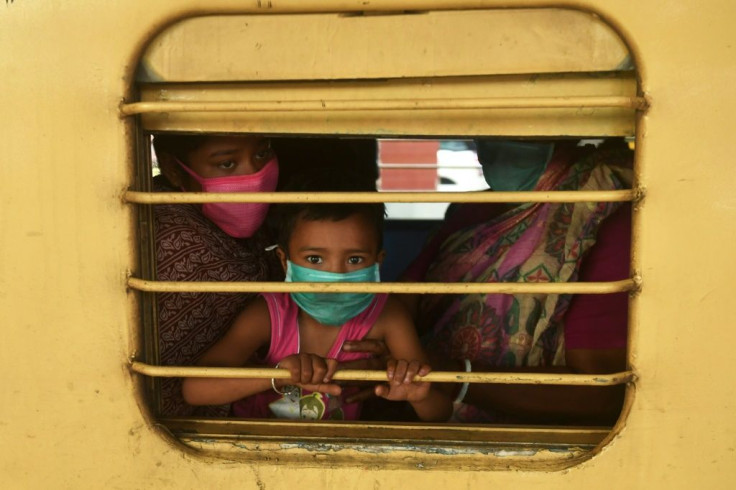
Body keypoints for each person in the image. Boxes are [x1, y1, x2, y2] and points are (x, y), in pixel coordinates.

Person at [395, 138, 632, 425]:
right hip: (425, 409)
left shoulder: (602, 212)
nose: (499, 138)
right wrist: (390, 349)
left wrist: (454, 378)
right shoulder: (470, 210)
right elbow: (402, 301)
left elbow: (599, 393)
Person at [181, 172, 453, 422]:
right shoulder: (268, 314)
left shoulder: (388, 317)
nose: (335, 275)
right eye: (315, 259)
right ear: (285, 262)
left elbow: (440, 413)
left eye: (355, 259)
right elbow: (194, 390)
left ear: (377, 263)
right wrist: (278, 377)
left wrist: (421, 397)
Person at [152, 134, 283, 417]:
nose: (255, 176)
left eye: (262, 154)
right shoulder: (170, 241)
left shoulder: (256, 227)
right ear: (173, 169)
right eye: (227, 164)